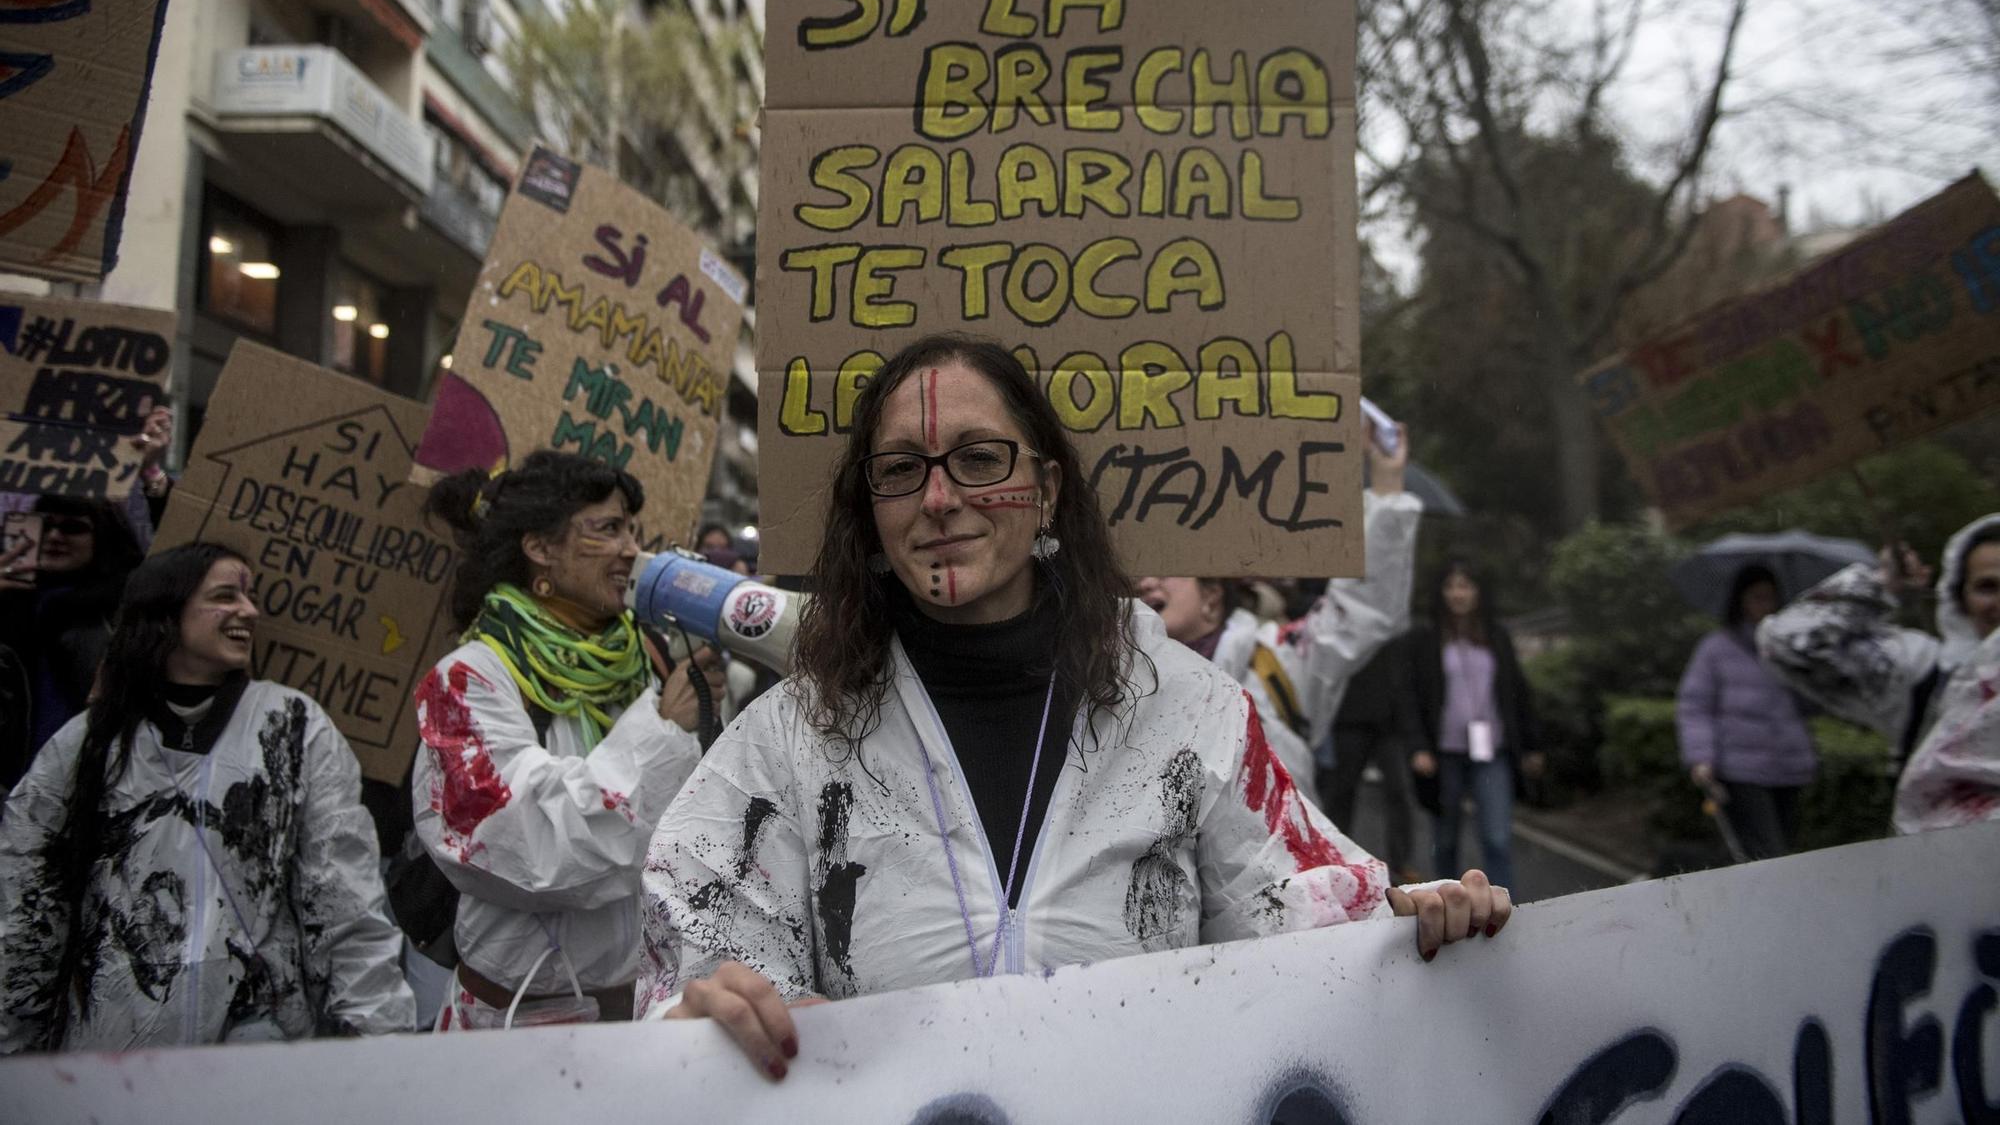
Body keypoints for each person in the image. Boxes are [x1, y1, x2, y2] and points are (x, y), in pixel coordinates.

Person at [637, 334, 1509, 1080]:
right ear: (869, 513)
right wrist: (698, 1016)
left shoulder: (1189, 708)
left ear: (1047, 489)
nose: (941, 498)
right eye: (902, 470)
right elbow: (699, 967)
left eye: (980, 459)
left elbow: (1302, 916)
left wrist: (1410, 929)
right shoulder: (785, 740)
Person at [0, 543, 414, 1051]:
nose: (250, 610)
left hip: (258, 1063)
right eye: (225, 596)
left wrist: (380, 1046)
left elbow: (347, 908)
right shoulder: (86, 745)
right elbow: (26, 911)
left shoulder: (293, 729)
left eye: (250, 596)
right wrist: (15, 1057)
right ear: (166, 613)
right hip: (112, 1069)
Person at [413, 451, 722, 1029]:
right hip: (514, 1035)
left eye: (632, 529)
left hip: (643, 1023)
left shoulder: (648, 656)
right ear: (540, 549)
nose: (633, 550)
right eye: (607, 530)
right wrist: (664, 733)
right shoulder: (466, 681)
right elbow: (534, 853)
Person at [1134, 426, 1421, 804]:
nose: (1147, 584)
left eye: (1166, 571)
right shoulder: (1120, 678)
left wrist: (1386, 487)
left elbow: (1362, 610)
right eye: (1140, 573)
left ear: (1212, 596)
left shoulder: (1276, 662)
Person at [1758, 515, 2000, 833]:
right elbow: (1788, 643)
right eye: (1988, 587)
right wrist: (1880, 583)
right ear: (1959, 598)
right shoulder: (1926, 671)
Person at [1401, 560, 1544, 892]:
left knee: (1496, 837)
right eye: (1451, 586)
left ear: (1478, 592)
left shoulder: (1496, 635)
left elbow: (1517, 691)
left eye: (1465, 586)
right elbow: (1409, 696)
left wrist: (1533, 745)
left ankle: (1502, 907)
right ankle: (1449, 905)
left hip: (1492, 750)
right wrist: (1417, 746)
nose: (1457, 594)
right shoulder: (1425, 637)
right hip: (1444, 752)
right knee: (1446, 838)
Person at [0, 495, 147, 788]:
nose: (54, 536)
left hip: (87, 782)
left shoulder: (126, 610)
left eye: (72, 528)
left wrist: (153, 478)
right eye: (43, 525)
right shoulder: (9, 604)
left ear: (103, 536)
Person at [1674, 566, 1816, 860]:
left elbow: (1812, 704)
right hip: (1741, 769)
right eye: (1757, 597)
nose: (1765, 606)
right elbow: (1694, 706)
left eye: (1771, 598)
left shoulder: (1790, 649)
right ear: (1740, 601)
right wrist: (1702, 757)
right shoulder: (1716, 649)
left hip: (1789, 767)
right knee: (1768, 852)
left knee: (1780, 851)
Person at [1319, 637, 1420, 883]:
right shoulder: (1350, 617)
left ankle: (1401, 863)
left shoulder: (1393, 624)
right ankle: (1334, 860)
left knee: (1400, 792)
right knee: (1342, 793)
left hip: (1389, 722)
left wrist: (1412, 732)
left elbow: (1406, 678)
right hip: (1350, 718)